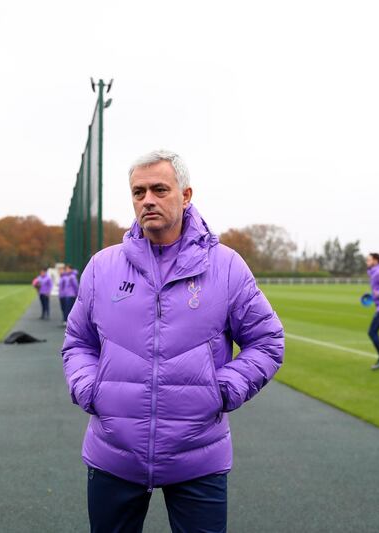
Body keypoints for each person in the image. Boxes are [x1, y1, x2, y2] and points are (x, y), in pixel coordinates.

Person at [62, 150, 285, 532]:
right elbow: (78, 342)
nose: (147, 199)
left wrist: (223, 390)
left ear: (185, 195)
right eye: (138, 192)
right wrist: (89, 389)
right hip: (114, 454)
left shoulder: (226, 266)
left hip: (198, 457)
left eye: (159, 189)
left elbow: (267, 341)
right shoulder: (102, 267)